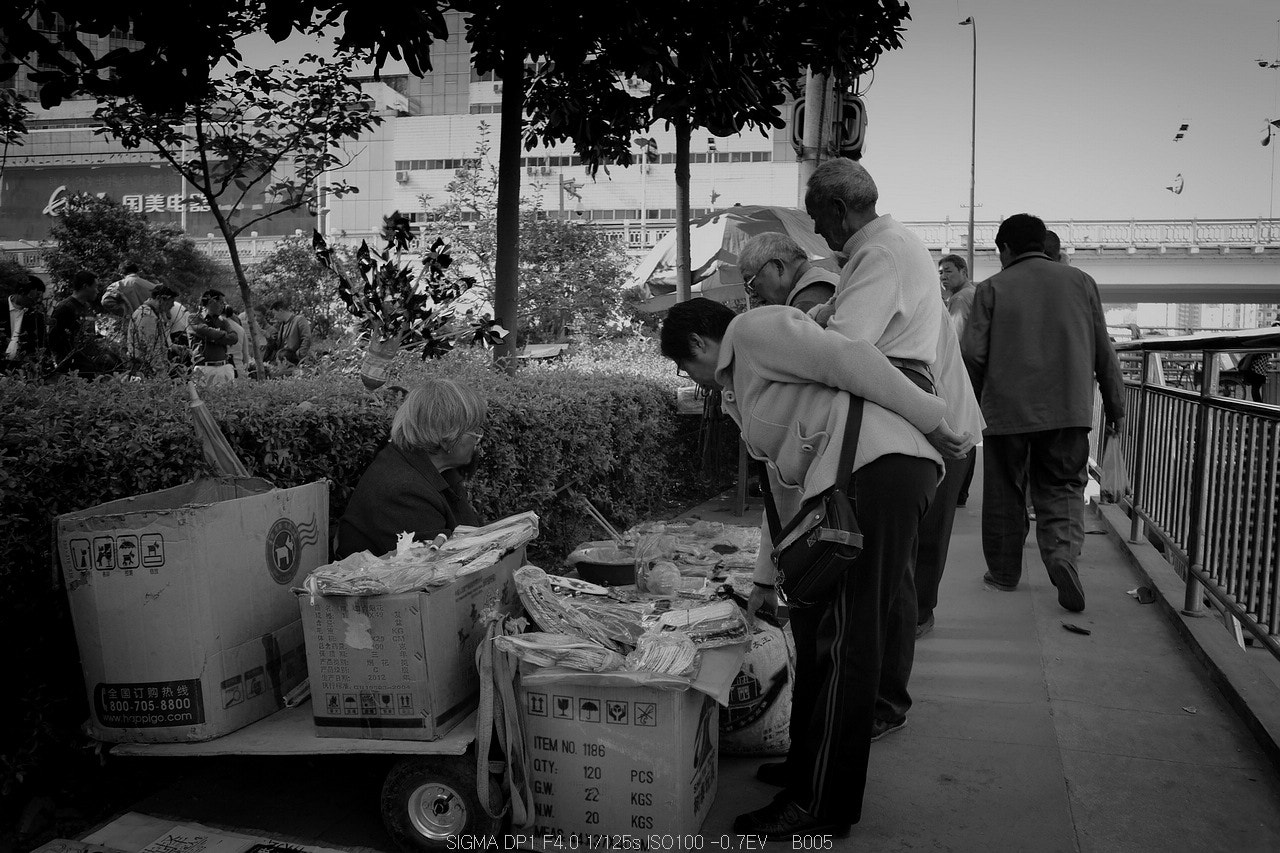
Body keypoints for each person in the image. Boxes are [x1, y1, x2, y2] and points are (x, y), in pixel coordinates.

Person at [660, 298, 968, 841]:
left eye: (686, 368)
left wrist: (933, 420)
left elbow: (852, 359)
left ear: (700, 344)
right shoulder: (742, 389)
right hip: (848, 490)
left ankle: (823, 803)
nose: (694, 380)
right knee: (811, 629)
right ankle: (807, 765)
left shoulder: (755, 330)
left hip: (883, 472)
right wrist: (763, 580)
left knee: (848, 642)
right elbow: (781, 493)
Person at [803, 159, 983, 707]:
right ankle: (882, 700)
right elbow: (846, 325)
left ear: (838, 208)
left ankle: (874, 704)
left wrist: (801, 335)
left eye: (817, 216)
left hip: (895, 428)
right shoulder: (893, 247)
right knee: (893, 576)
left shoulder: (878, 251)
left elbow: (847, 350)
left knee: (875, 587)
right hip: (912, 426)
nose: (816, 231)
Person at [961, 213, 1125, 613]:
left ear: (1005, 249)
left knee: (1005, 492)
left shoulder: (992, 288)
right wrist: (1116, 405)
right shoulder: (1082, 283)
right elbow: (1104, 350)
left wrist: (976, 403)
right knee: (1064, 486)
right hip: (1068, 411)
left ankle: (1003, 573)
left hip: (1006, 413)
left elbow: (972, 354)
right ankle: (1062, 556)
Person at [336, 378, 487, 559]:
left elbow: (471, 533)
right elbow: (438, 567)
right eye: (474, 431)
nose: (478, 439)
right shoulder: (405, 491)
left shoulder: (429, 469)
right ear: (448, 436)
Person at [939, 253, 980, 509]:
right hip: (975, 369)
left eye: (949, 271)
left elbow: (953, 339)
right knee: (969, 429)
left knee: (959, 428)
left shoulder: (960, 298)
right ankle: (961, 492)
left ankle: (957, 492)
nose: (943, 276)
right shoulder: (973, 293)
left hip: (962, 369)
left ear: (963, 271)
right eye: (941, 272)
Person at [736, 232, 837, 313]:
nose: (753, 295)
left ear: (778, 267)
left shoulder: (806, 306)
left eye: (752, 284)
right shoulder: (828, 279)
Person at [48, 271, 100, 375]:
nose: (97, 291)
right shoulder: (65, 308)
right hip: (71, 368)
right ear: (85, 286)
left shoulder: (87, 307)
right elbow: (54, 340)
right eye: (95, 287)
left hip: (88, 364)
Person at [187, 289, 239, 385]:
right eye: (221, 303)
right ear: (211, 302)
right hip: (203, 368)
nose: (223, 306)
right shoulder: (194, 318)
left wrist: (214, 336)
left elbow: (234, 338)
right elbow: (204, 330)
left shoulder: (223, 321)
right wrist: (223, 336)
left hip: (223, 367)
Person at [126, 284, 177, 377]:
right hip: (145, 370)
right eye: (171, 302)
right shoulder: (147, 316)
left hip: (145, 368)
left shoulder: (152, 314)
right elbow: (151, 348)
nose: (172, 305)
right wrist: (161, 373)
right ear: (160, 299)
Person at [2, 274, 49, 372]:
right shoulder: (1, 308)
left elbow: (42, 344)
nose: (38, 301)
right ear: (22, 292)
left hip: (23, 370)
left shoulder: (36, 316)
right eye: (35, 297)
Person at [265, 299, 312, 366]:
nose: (275, 317)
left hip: (295, 361)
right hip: (283, 361)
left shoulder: (299, 320)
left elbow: (307, 338)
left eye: (275, 314)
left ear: (281, 310)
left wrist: (299, 356)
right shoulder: (282, 325)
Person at [222, 305, 251, 379]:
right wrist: (246, 369)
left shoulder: (218, 326)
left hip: (223, 367)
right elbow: (245, 353)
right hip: (239, 366)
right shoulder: (240, 329)